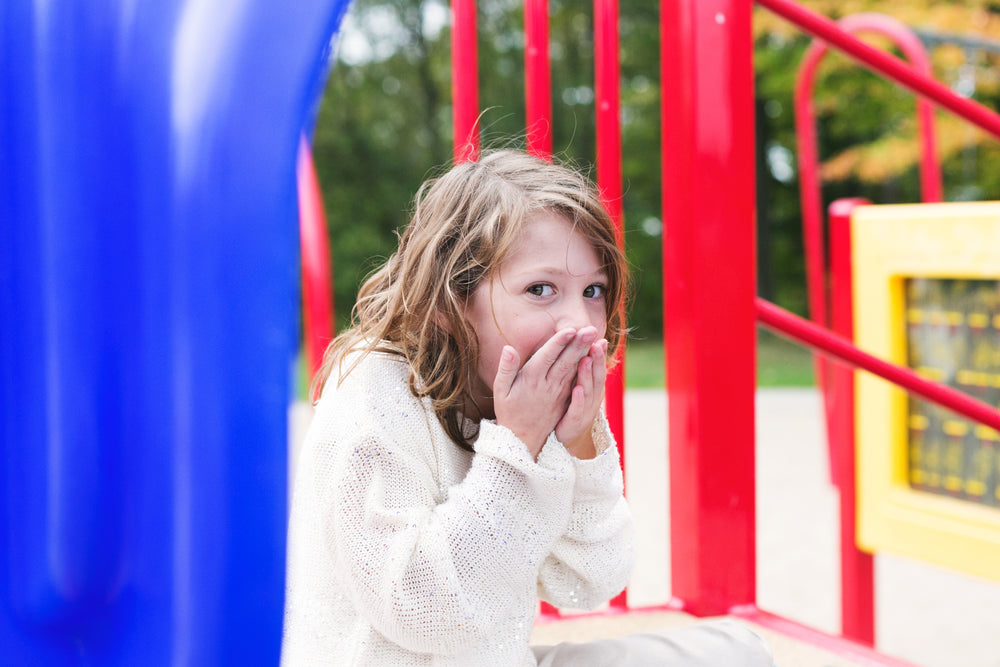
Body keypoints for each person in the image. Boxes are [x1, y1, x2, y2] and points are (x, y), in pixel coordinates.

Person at [281, 150, 773, 666]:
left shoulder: (530, 395)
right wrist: (516, 449)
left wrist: (576, 446)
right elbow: (423, 611)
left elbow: (590, 580)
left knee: (738, 652)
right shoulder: (375, 394)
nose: (578, 322)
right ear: (451, 302)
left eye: (593, 291)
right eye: (541, 290)